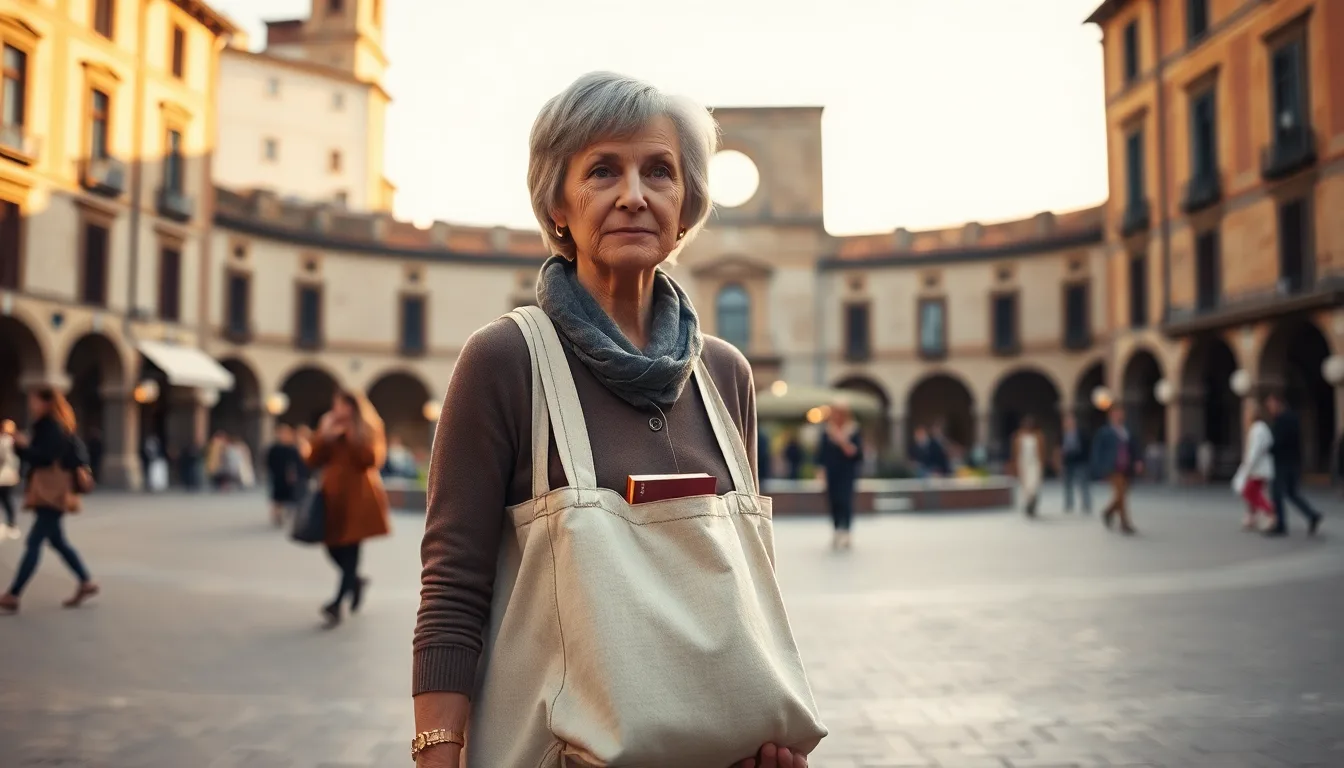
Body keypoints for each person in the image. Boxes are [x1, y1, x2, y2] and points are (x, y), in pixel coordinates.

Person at [412, 73, 822, 768]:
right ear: (558, 204)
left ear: (685, 206)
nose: (634, 194)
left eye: (658, 171)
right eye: (603, 170)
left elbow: (748, 594)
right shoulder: (507, 359)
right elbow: (453, 586)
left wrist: (764, 727)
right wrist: (436, 756)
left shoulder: (727, 378)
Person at [0, 387, 98, 613]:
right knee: (57, 541)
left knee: (34, 542)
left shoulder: (50, 426)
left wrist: (22, 446)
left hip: (52, 492)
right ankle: (86, 581)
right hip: (54, 491)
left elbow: (44, 458)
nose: (31, 405)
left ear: (46, 402)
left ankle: (13, 594)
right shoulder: (56, 424)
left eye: (34, 400)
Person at [306, 390, 390, 626]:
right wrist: (325, 436)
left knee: (351, 548)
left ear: (353, 407)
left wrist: (352, 436)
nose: (337, 409)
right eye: (336, 404)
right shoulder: (328, 425)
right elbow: (312, 459)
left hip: (359, 498)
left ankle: (337, 603)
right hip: (332, 498)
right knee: (331, 548)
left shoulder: (367, 427)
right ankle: (355, 582)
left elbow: (372, 459)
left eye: (342, 405)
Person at [1263, 392, 1323, 537]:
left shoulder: (1282, 420)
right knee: (1291, 493)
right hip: (1293, 461)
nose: (1270, 409)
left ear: (1279, 403)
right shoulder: (1293, 418)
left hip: (1283, 462)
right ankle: (1312, 515)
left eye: (1271, 405)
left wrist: (1269, 449)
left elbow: (1280, 442)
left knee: (1277, 493)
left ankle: (1281, 525)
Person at [818, 400, 863, 550]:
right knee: (833, 501)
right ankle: (837, 530)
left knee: (846, 501)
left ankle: (847, 532)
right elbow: (822, 454)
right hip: (832, 473)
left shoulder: (853, 430)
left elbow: (858, 454)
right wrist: (820, 471)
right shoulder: (827, 431)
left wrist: (843, 442)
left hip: (847, 473)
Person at [1091, 405, 1142, 535]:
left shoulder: (1126, 431)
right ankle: (1125, 523)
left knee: (1123, 494)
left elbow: (1134, 447)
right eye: (1117, 413)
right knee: (1120, 494)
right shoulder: (1105, 432)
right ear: (1111, 415)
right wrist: (1099, 467)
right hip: (1112, 467)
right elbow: (1097, 450)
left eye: (1121, 413)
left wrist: (1138, 461)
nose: (1120, 416)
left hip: (1126, 466)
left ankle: (1108, 512)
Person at [1232, 406, 1275, 531]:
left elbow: (1254, 451)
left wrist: (1248, 467)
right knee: (1254, 491)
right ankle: (1251, 516)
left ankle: (1269, 511)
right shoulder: (1261, 428)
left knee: (1249, 492)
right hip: (1260, 467)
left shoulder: (1257, 429)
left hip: (1257, 468)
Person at [265, 425, 305, 528]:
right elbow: (269, 462)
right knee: (277, 498)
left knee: (291, 498)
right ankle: (277, 516)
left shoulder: (292, 448)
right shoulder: (274, 449)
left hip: (289, 477)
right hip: (277, 476)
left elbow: (297, 463)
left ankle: (289, 515)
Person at [1009, 415, 1046, 517]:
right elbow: (1015, 452)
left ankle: (1033, 503)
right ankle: (1028, 506)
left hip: (1034, 463)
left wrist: (1042, 463)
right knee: (1026, 486)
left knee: (1034, 485)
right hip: (1023, 463)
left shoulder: (1038, 436)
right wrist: (1015, 465)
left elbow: (1042, 451)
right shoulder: (1019, 436)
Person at [1059, 413, 1092, 513]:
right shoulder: (1063, 434)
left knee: (1083, 484)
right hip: (1068, 462)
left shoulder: (1081, 433)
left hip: (1080, 461)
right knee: (1067, 485)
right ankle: (1069, 504)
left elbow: (1087, 446)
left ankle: (1086, 504)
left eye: (1070, 421)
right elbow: (1059, 449)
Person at [0, 420, 20, 539]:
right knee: (7, 499)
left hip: (4, 475)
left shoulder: (4, 440)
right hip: (10, 474)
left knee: (6, 499)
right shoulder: (13, 441)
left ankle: (11, 523)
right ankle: (11, 522)